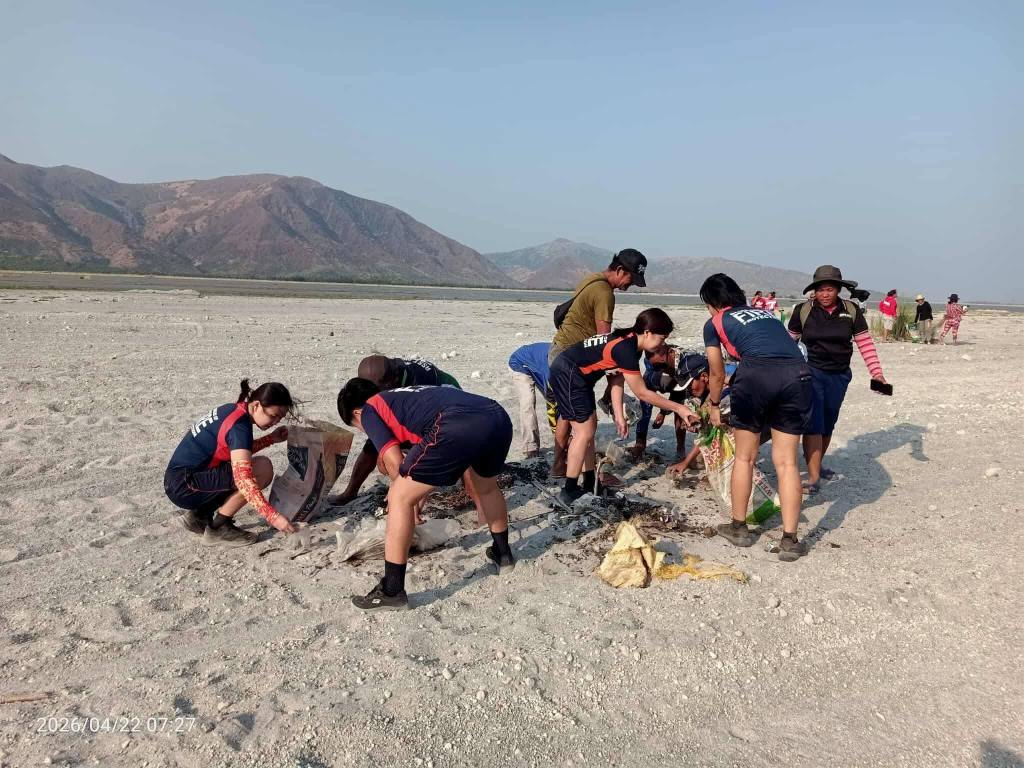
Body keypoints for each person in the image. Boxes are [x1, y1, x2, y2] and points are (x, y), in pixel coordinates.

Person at [337, 380, 515, 610]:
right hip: (497, 416)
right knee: (488, 487)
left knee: (398, 497)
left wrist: (406, 496)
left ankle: (392, 590)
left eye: (358, 426)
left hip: (454, 423)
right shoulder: (401, 395)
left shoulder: (370, 410)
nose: (366, 431)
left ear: (356, 412)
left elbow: (394, 460)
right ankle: (503, 554)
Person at [700, 273, 812, 562]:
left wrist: (714, 405)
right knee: (787, 461)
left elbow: (716, 372)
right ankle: (790, 540)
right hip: (798, 375)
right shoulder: (766, 314)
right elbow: (780, 350)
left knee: (744, 457)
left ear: (712, 303)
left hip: (757, 377)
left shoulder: (714, 322)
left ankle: (739, 528)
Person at [549, 308, 698, 506]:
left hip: (578, 377)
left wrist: (619, 414)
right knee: (583, 432)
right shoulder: (625, 348)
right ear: (647, 333)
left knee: (590, 428)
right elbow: (642, 392)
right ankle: (569, 491)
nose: (662, 345)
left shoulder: (630, 343)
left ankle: (590, 482)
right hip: (568, 373)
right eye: (661, 339)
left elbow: (616, 378)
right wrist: (679, 408)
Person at [547, 249, 648, 480]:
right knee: (582, 423)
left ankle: (560, 466)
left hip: (561, 352)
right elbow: (605, 343)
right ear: (620, 270)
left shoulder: (592, 279)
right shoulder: (605, 293)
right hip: (570, 358)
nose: (629, 286)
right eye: (630, 280)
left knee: (569, 414)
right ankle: (577, 475)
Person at [788, 265, 888, 493]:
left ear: (838, 290)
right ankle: (813, 477)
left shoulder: (851, 310)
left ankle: (817, 463)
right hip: (810, 373)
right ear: (814, 290)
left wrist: (877, 373)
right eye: (821, 289)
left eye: (830, 289)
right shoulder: (803, 311)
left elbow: (864, 343)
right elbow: (789, 341)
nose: (825, 294)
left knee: (828, 421)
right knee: (814, 423)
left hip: (839, 375)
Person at [164, 379, 296, 546]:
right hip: (185, 486)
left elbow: (236, 451)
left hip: (179, 479)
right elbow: (244, 480)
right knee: (262, 469)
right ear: (256, 406)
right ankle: (218, 528)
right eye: (273, 415)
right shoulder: (239, 427)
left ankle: (198, 516)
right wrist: (274, 518)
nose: (275, 422)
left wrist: (270, 439)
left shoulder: (233, 410)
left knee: (251, 468)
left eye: (280, 418)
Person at [333, 354, 460, 505]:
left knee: (426, 448)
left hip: (449, 403)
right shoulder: (382, 373)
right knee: (373, 443)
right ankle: (351, 491)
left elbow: (420, 429)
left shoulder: (414, 381)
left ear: (389, 383)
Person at [508, 342, 550, 458]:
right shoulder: (553, 368)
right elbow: (553, 400)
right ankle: (530, 446)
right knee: (528, 403)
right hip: (519, 363)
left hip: (536, 364)